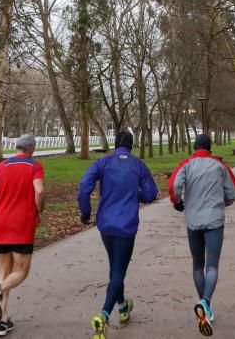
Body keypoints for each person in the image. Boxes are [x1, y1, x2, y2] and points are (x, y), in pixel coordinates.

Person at [78, 130, 158, 339]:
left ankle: (123, 307)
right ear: (132, 145)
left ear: (115, 144)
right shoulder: (138, 164)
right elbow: (151, 194)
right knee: (118, 272)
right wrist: (135, 192)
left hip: (106, 224)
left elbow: (84, 187)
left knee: (115, 267)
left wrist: (85, 212)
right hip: (126, 225)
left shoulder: (102, 163)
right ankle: (103, 315)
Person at [169, 134, 235, 337]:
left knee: (197, 265)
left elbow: (174, 185)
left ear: (194, 147)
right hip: (215, 221)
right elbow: (233, 192)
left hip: (193, 222)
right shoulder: (219, 166)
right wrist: (223, 203)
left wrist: (178, 202)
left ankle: (205, 307)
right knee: (212, 265)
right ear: (210, 148)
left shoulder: (186, 164)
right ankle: (205, 303)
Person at [0, 133, 45, 337]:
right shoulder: (34, 166)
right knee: (21, 271)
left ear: (17, 147)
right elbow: (40, 191)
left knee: (4, 270)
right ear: (32, 149)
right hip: (21, 225)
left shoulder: (0, 167)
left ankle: (2, 321)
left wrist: (0, 212)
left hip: (0, 225)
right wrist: (38, 210)